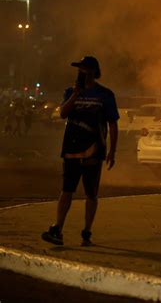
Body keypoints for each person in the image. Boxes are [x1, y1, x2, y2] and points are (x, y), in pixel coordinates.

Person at [41, 56, 119, 246]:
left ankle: (87, 231)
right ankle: (57, 229)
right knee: (66, 190)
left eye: (84, 69)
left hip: (94, 151)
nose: (81, 72)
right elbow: (62, 113)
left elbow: (113, 124)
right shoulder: (70, 91)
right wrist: (76, 94)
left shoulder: (105, 95)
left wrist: (112, 151)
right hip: (71, 151)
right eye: (79, 69)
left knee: (91, 193)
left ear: (93, 71)